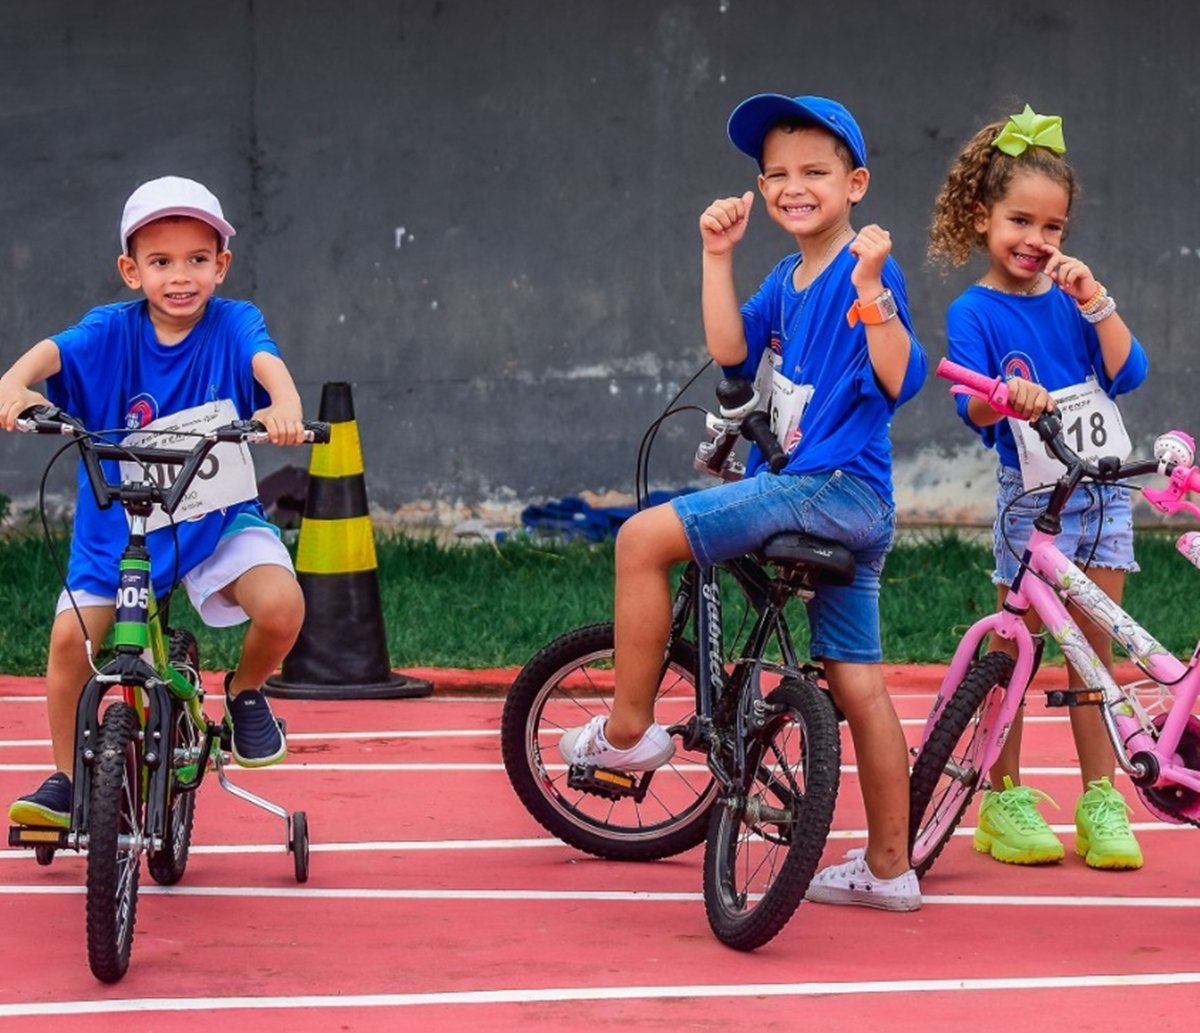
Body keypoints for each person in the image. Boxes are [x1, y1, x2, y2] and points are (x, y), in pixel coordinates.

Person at [558, 93, 928, 910]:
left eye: (816, 173)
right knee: (857, 680)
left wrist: (874, 289)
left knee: (641, 541)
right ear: (763, 190)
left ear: (855, 183)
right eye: (778, 176)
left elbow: (898, 376)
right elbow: (730, 348)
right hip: (856, 502)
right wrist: (715, 255)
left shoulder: (862, 269)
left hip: (823, 488)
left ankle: (628, 733)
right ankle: (890, 867)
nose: (795, 187)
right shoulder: (787, 276)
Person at [2, 175, 310, 828]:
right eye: (161, 261)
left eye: (198, 259)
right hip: (119, 528)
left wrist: (284, 405)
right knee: (68, 643)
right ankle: (65, 778)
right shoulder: (110, 330)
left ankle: (248, 690)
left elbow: (265, 361)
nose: (180, 276)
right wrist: (15, 383)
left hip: (213, 517)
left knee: (283, 607)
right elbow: (51, 351)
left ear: (221, 265)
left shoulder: (233, 323)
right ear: (130, 269)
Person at [929, 105, 1148, 870]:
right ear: (984, 216)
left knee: (1094, 657)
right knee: (1012, 649)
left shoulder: (1072, 300)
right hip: (1032, 503)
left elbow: (1130, 372)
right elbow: (971, 405)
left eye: (1052, 227)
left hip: (1103, 494)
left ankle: (1101, 798)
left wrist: (1099, 302)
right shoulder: (974, 311)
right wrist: (1004, 393)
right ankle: (1005, 795)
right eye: (1021, 219)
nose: (1037, 240)